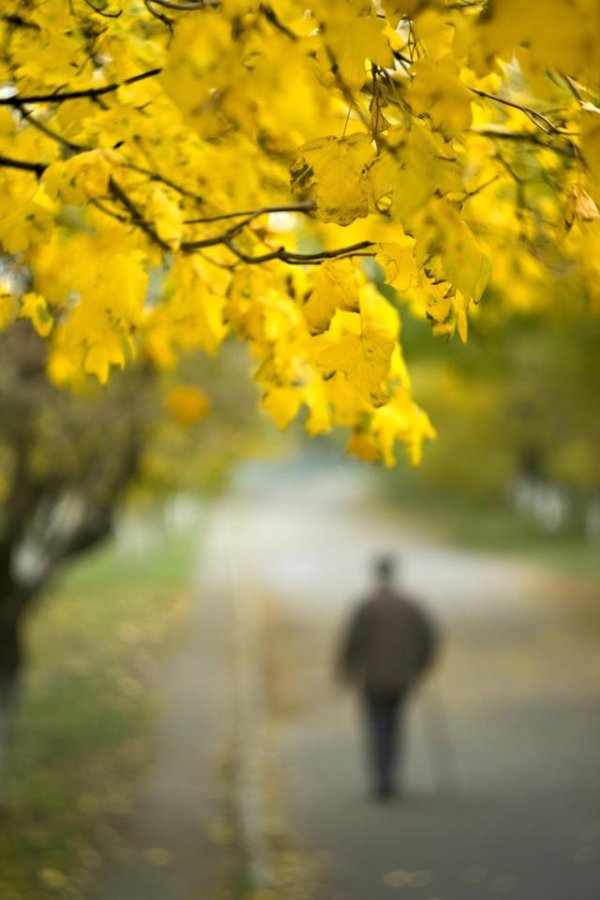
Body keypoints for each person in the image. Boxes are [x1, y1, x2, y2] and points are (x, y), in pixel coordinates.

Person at [337, 555, 438, 800]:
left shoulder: (365, 606)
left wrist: (347, 670)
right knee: (394, 725)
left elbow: (351, 642)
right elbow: (428, 638)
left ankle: (380, 777)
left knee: (376, 726)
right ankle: (390, 776)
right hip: (402, 677)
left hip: (372, 677)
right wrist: (420, 666)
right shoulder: (410, 606)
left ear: (375, 575)